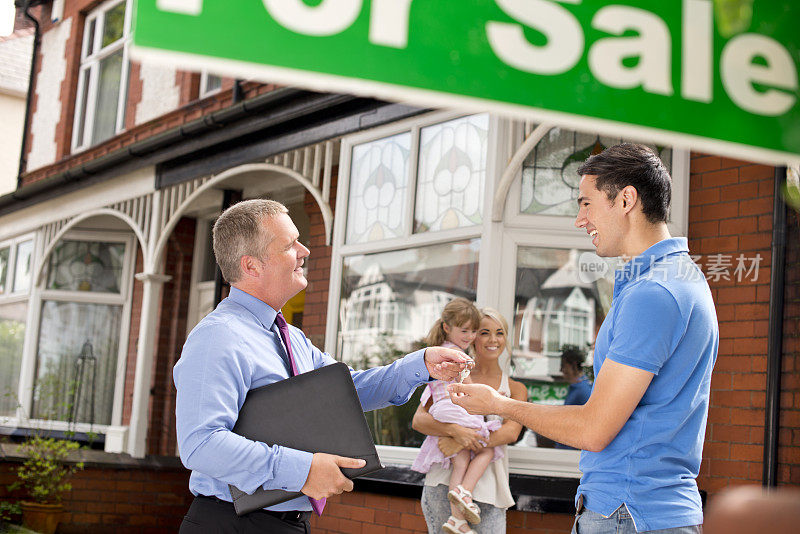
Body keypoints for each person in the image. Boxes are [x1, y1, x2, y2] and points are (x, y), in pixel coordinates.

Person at [450, 144, 719, 534]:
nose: (580, 219)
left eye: (587, 203)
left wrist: (498, 404)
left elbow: (593, 430)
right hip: (641, 511)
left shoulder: (654, 293)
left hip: (628, 513)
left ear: (626, 199)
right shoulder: (676, 280)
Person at [173, 199, 471, 533]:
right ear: (252, 266)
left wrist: (421, 365)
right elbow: (201, 444)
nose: (304, 251)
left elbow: (346, 392)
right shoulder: (217, 337)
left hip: (288, 524)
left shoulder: (292, 338)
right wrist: (302, 470)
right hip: (231, 525)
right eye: (289, 245)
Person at [413, 308, 527, 534]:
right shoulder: (453, 372)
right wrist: (455, 430)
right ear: (474, 337)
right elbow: (419, 420)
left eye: (500, 332)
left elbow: (510, 433)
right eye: (484, 332)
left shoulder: (516, 388)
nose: (493, 339)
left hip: (490, 489)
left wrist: (459, 442)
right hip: (444, 485)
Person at [554, 345, 592, 450]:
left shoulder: (583, 390)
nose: (561, 370)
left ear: (573, 365)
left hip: (571, 453)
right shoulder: (579, 388)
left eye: (563, 365)